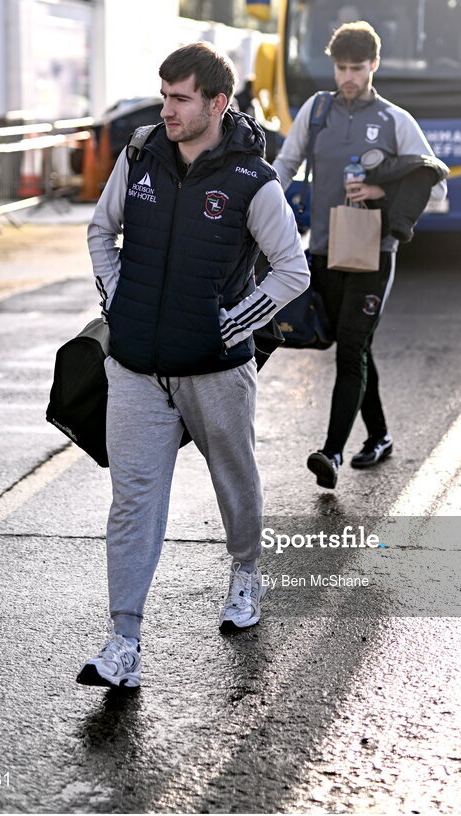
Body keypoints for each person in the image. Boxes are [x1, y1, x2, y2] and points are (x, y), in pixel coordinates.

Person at [79, 42, 309, 688]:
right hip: (135, 368)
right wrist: (116, 295)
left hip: (215, 370)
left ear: (217, 103)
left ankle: (245, 573)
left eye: (180, 98)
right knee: (132, 502)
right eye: (164, 96)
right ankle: (123, 642)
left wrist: (231, 323)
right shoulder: (141, 154)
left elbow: (293, 269)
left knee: (234, 478)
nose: (166, 109)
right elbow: (101, 230)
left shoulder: (251, 179)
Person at [272, 21, 445, 489]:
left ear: (375, 65)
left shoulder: (395, 120)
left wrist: (379, 190)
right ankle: (381, 435)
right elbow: (286, 165)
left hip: (374, 254)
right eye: (341, 68)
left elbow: (437, 186)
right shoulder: (318, 110)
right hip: (324, 251)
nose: (348, 77)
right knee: (356, 348)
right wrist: (256, 206)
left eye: (357, 68)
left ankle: (331, 452)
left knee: (350, 348)